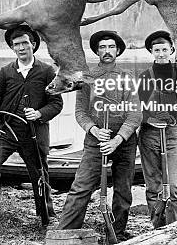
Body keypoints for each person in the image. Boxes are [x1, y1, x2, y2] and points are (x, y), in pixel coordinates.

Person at [0, 25, 63, 237]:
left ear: (33, 44)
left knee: (40, 174)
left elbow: (56, 103)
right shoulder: (6, 72)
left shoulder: (47, 71)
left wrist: (40, 113)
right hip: (7, 132)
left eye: (25, 43)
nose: (21, 47)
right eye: (17, 44)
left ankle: (46, 218)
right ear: (12, 48)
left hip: (34, 133)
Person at [57, 30, 142, 241]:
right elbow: (80, 112)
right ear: (96, 51)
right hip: (96, 139)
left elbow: (135, 113)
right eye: (102, 47)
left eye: (111, 47)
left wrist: (117, 139)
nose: (107, 51)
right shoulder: (86, 78)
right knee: (81, 186)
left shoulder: (127, 77)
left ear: (118, 50)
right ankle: (64, 234)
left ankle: (116, 234)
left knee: (123, 191)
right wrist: (93, 130)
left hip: (124, 142)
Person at [137, 30, 177, 226]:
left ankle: (174, 227)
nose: (161, 53)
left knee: (174, 186)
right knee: (154, 185)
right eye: (157, 50)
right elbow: (138, 108)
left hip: (172, 134)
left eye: (164, 50)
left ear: (171, 50)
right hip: (149, 135)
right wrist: (150, 119)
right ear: (151, 51)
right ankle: (157, 227)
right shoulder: (145, 77)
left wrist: (171, 117)